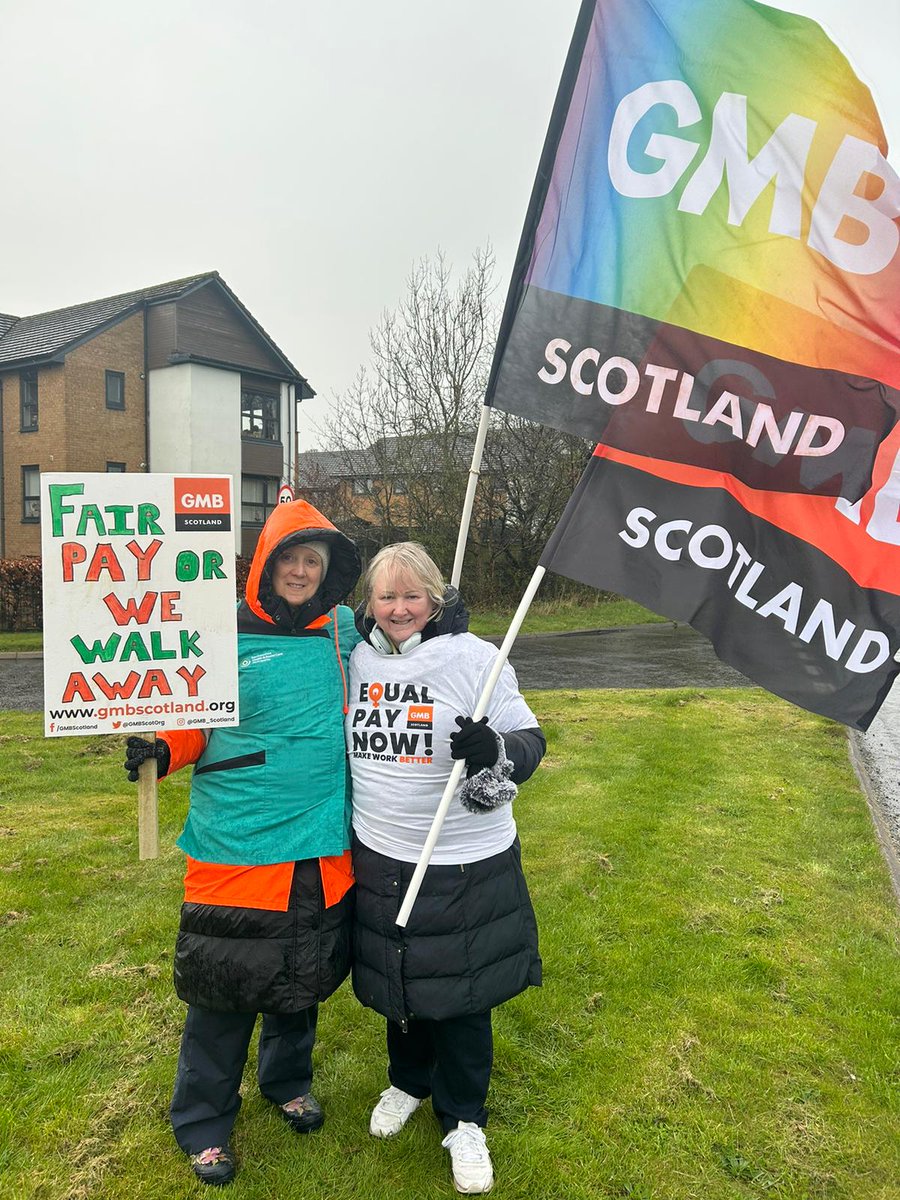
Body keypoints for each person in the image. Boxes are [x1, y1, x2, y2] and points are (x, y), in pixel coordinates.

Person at [124, 498, 361, 1187]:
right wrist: (162, 748)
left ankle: (286, 1082)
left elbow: (404, 646)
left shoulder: (344, 631)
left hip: (318, 841)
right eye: (288, 556)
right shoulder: (219, 631)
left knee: (299, 978)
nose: (299, 570)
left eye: (312, 560)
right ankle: (202, 1123)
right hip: (237, 845)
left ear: (327, 572)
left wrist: (444, 622)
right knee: (222, 990)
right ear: (265, 563)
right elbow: (193, 718)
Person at [346, 542, 545, 1195]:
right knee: (398, 982)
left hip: (461, 861)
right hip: (379, 851)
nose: (399, 608)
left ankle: (463, 1119)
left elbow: (530, 741)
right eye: (387, 596)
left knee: (461, 997)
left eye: (412, 596)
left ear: (434, 598)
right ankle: (408, 1080)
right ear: (368, 603)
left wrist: (495, 747)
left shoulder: (474, 659)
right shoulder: (358, 657)